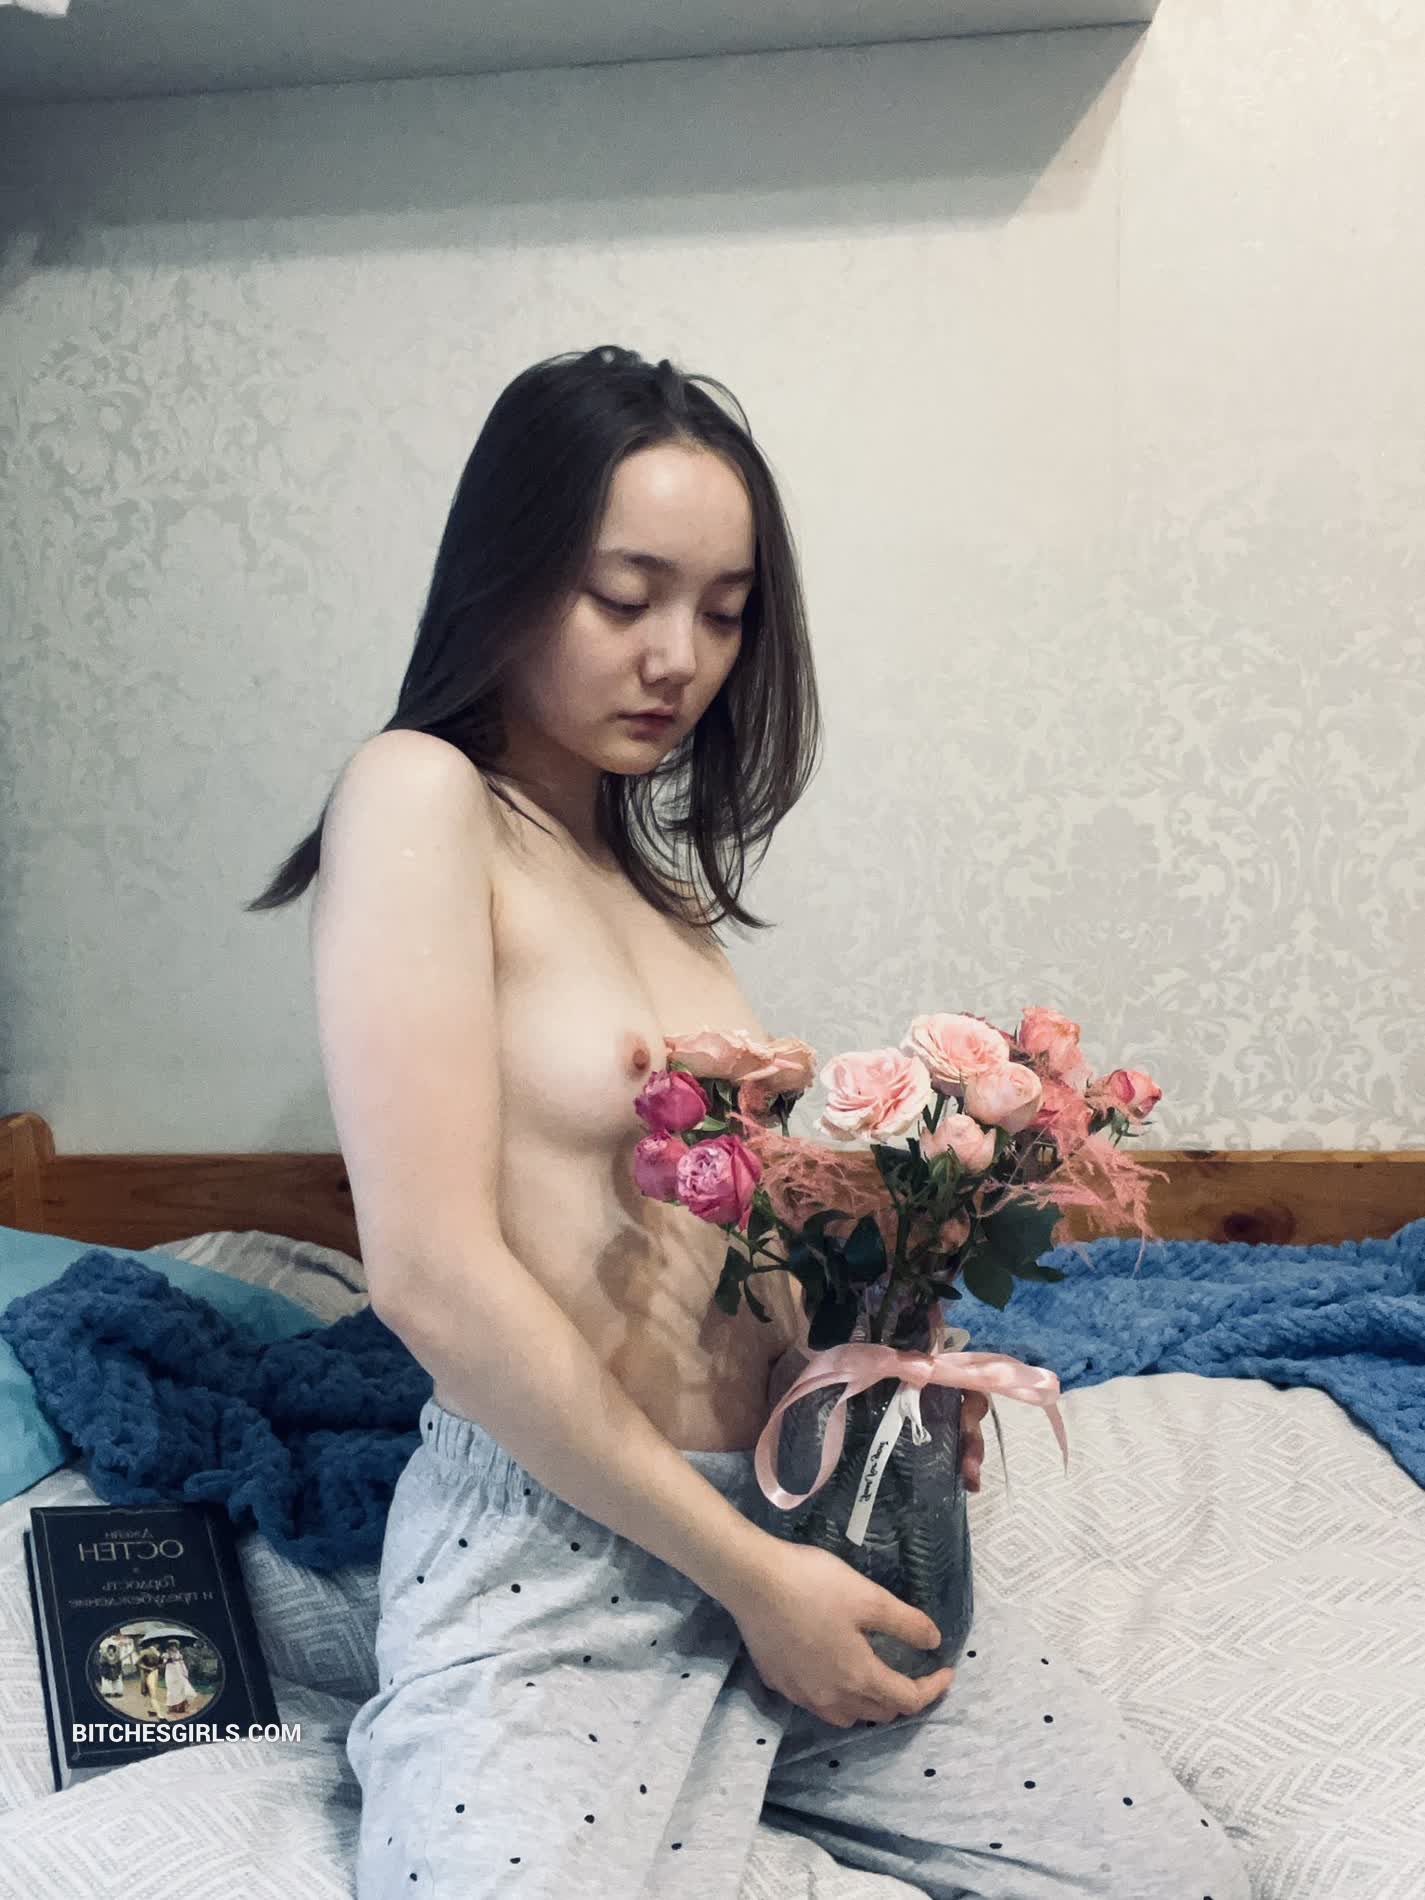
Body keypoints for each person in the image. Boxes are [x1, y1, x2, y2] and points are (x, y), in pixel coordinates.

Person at [248, 346, 1250, 1899]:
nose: (679, 659)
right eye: (624, 596)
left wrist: (876, 1362)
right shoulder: (419, 795)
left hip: (795, 1514)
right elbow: (432, 1275)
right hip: (564, 1557)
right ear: (507, 577)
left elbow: (703, 1243)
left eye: (722, 612)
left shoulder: (658, 888)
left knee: (1174, 1877)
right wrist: (749, 1581)